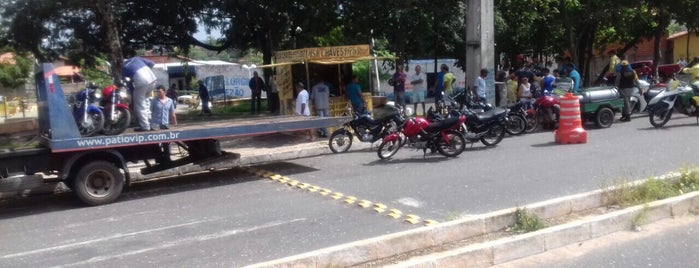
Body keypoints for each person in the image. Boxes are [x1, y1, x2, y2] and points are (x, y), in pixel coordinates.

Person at [122, 56, 157, 132]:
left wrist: (132, 94)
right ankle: (150, 123)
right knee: (146, 100)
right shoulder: (136, 58)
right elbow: (152, 64)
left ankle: (145, 126)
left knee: (140, 104)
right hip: (152, 79)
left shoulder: (123, 67)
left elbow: (129, 83)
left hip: (142, 81)